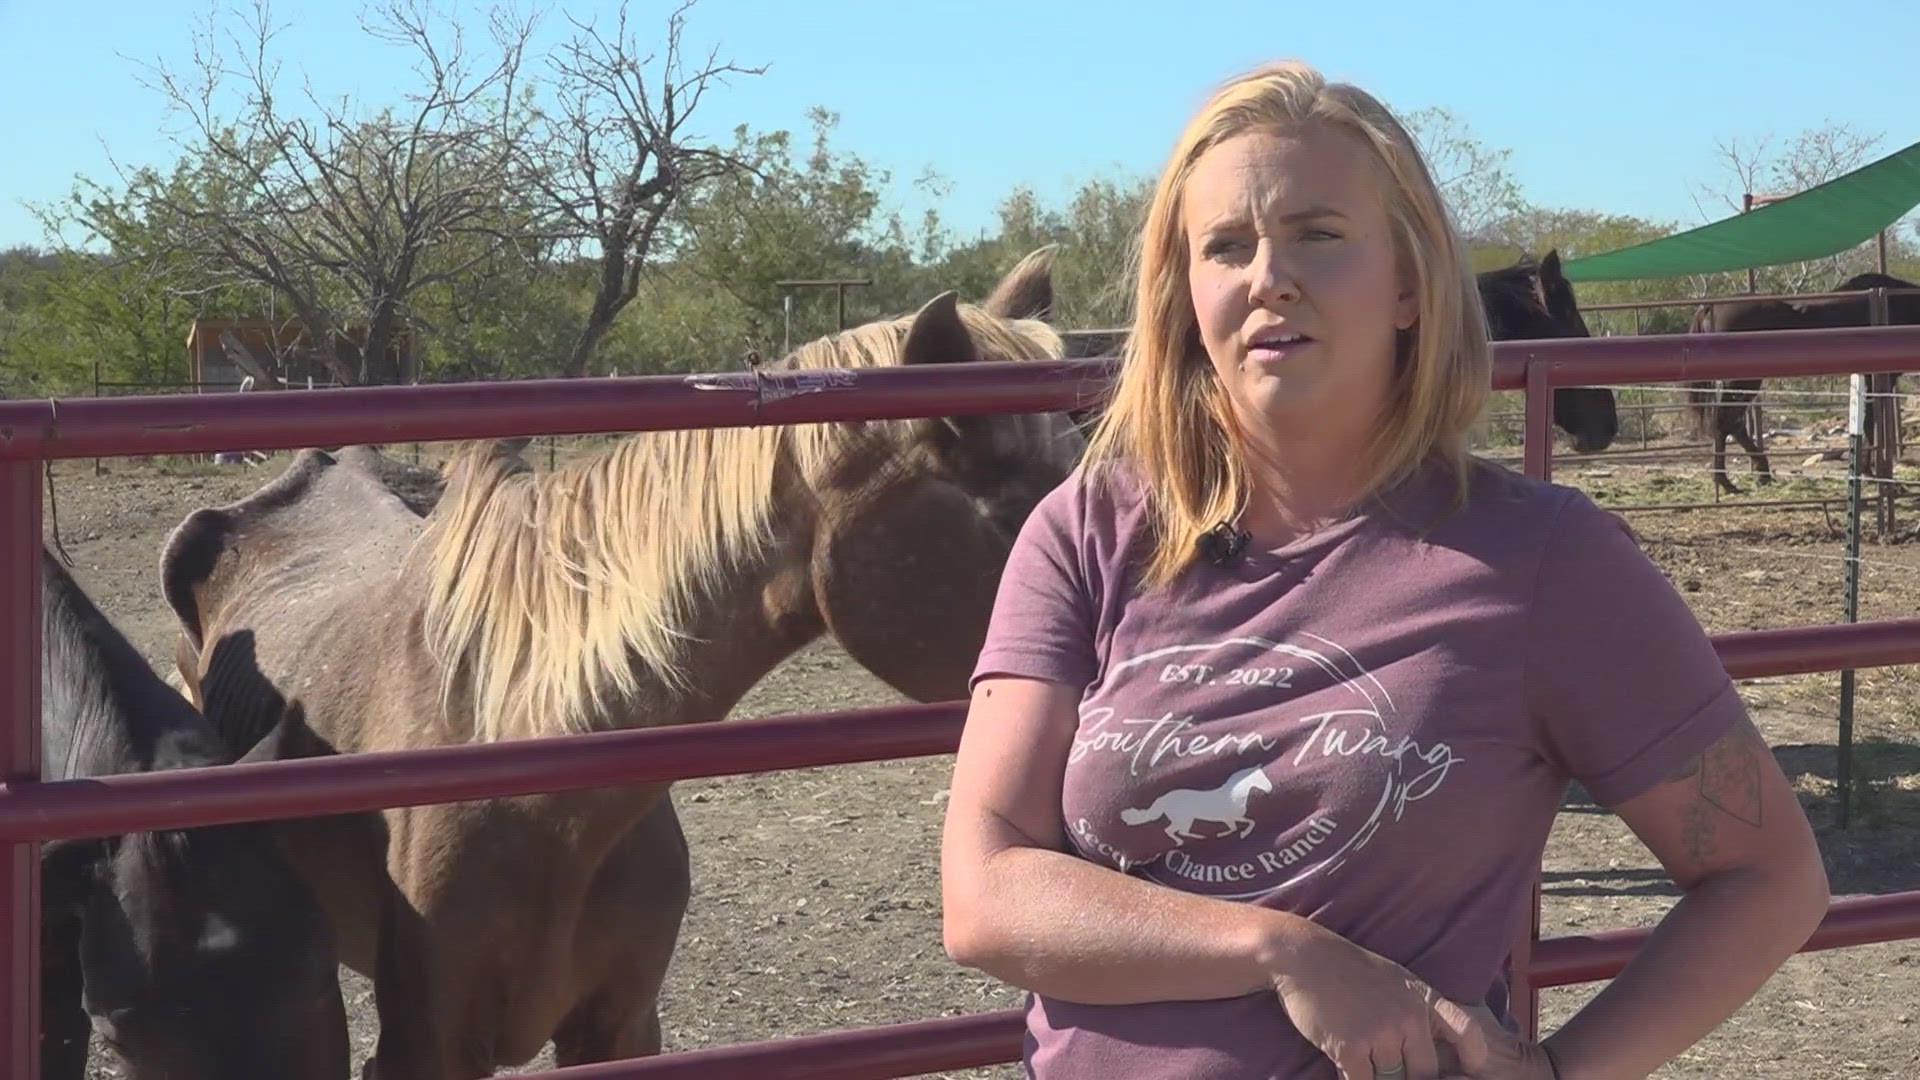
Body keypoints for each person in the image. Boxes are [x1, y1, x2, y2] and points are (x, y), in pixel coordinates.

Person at [939, 59, 1830, 1080]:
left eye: (1318, 234)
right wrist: (1284, 952)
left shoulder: (1544, 562)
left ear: (1409, 285)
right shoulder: (1088, 535)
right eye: (1226, 246)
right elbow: (986, 895)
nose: (1269, 276)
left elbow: (1769, 876)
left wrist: (1556, 1073)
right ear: (1187, 295)